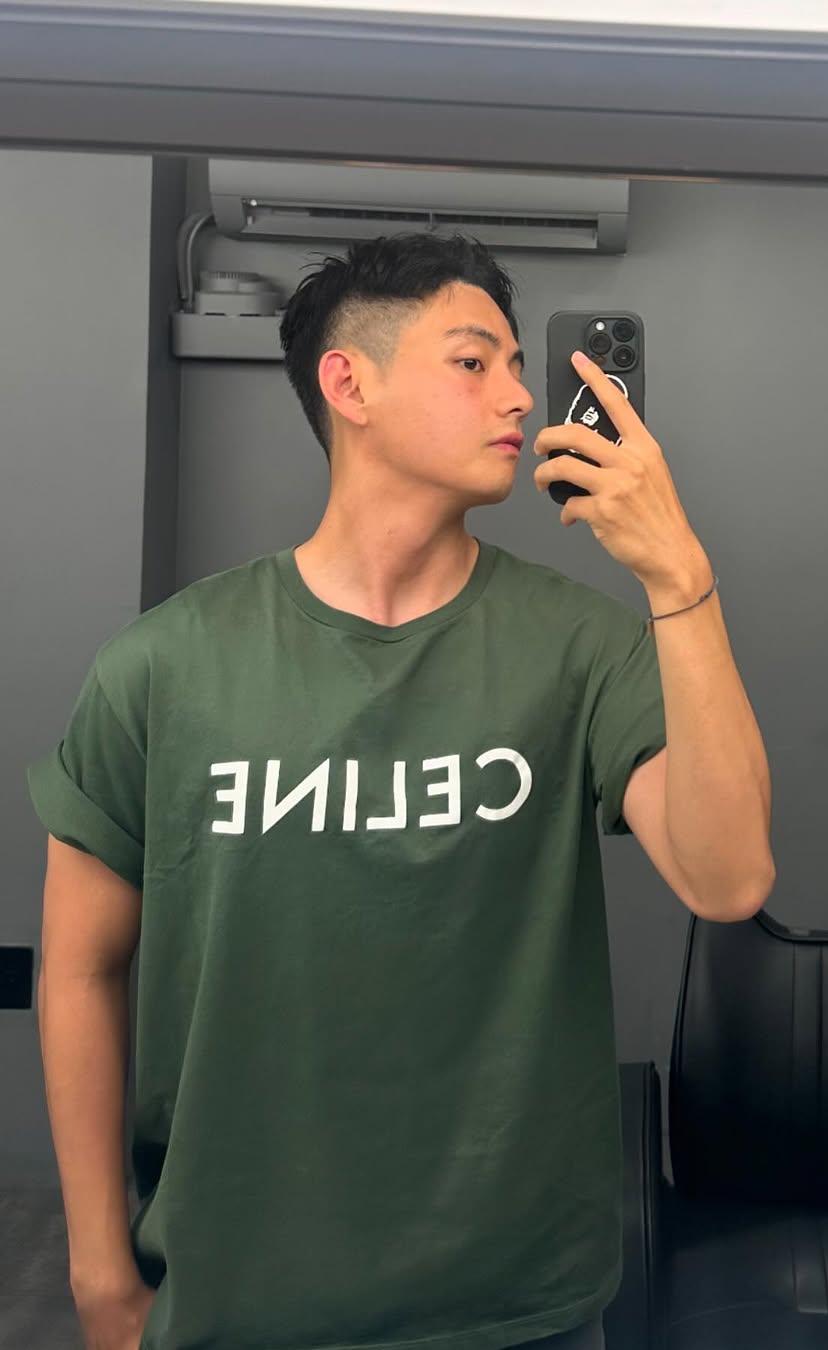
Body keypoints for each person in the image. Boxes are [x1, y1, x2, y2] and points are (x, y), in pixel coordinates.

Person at [28, 232, 774, 1350]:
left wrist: (679, 576)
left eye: (518, 365)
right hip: (235, 1298)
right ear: (350, 384)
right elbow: (81, 968)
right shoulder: (162, 665)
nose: (518, 396)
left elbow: (730, 879)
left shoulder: (584, 647)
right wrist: (97, 1270)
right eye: (474, 362)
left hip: (517, 1311)